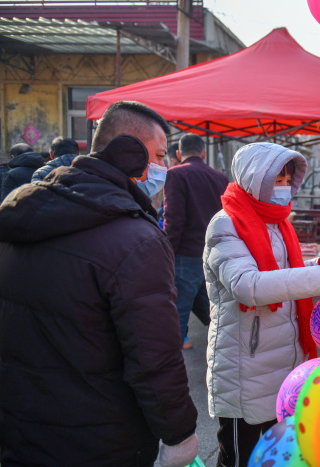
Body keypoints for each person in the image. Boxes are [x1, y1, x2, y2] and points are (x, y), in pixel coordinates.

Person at [0, 101, 198, 467]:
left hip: (20, 430)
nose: (165, 168)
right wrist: (179, 433)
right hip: (101, 439)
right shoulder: (136, 240)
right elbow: (154, 356)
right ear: (129, 154)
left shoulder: (20, 213)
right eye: (158, 155)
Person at [204, 142, 320, 466]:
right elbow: (248, 286)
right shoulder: (226, 224)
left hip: (283, 363)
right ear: (254, 179)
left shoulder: (279, 222)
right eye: (277, 180)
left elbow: (284, 273)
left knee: (277, 453)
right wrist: (319, 278)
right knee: (238, 457)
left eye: (288, 180)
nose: (284, 188)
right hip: (244, 367)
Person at [164, 133, 229, 349]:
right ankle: (229, 349)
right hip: (213, 254)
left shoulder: (175, 175)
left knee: (178, 316)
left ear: (179, 154)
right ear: (203, 152)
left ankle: (170, 368)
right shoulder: (220, 178)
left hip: (186, 255)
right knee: (212, 309)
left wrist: (167, 254)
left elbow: (173, 220)